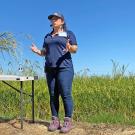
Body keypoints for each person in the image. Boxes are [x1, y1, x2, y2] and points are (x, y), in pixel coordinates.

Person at [31, 12, 78, 133]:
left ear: (62, 21)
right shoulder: (47, 36)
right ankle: (55, 121)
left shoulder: (68, 33)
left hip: (64, 68)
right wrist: (37, 51)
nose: (53, 20)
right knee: (53, 95)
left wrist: (70, 47)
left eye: (56, 18)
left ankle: (67, 122)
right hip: (50, 69)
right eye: (52, 19)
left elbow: (75, 49)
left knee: (65, 94)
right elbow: (44, 52)